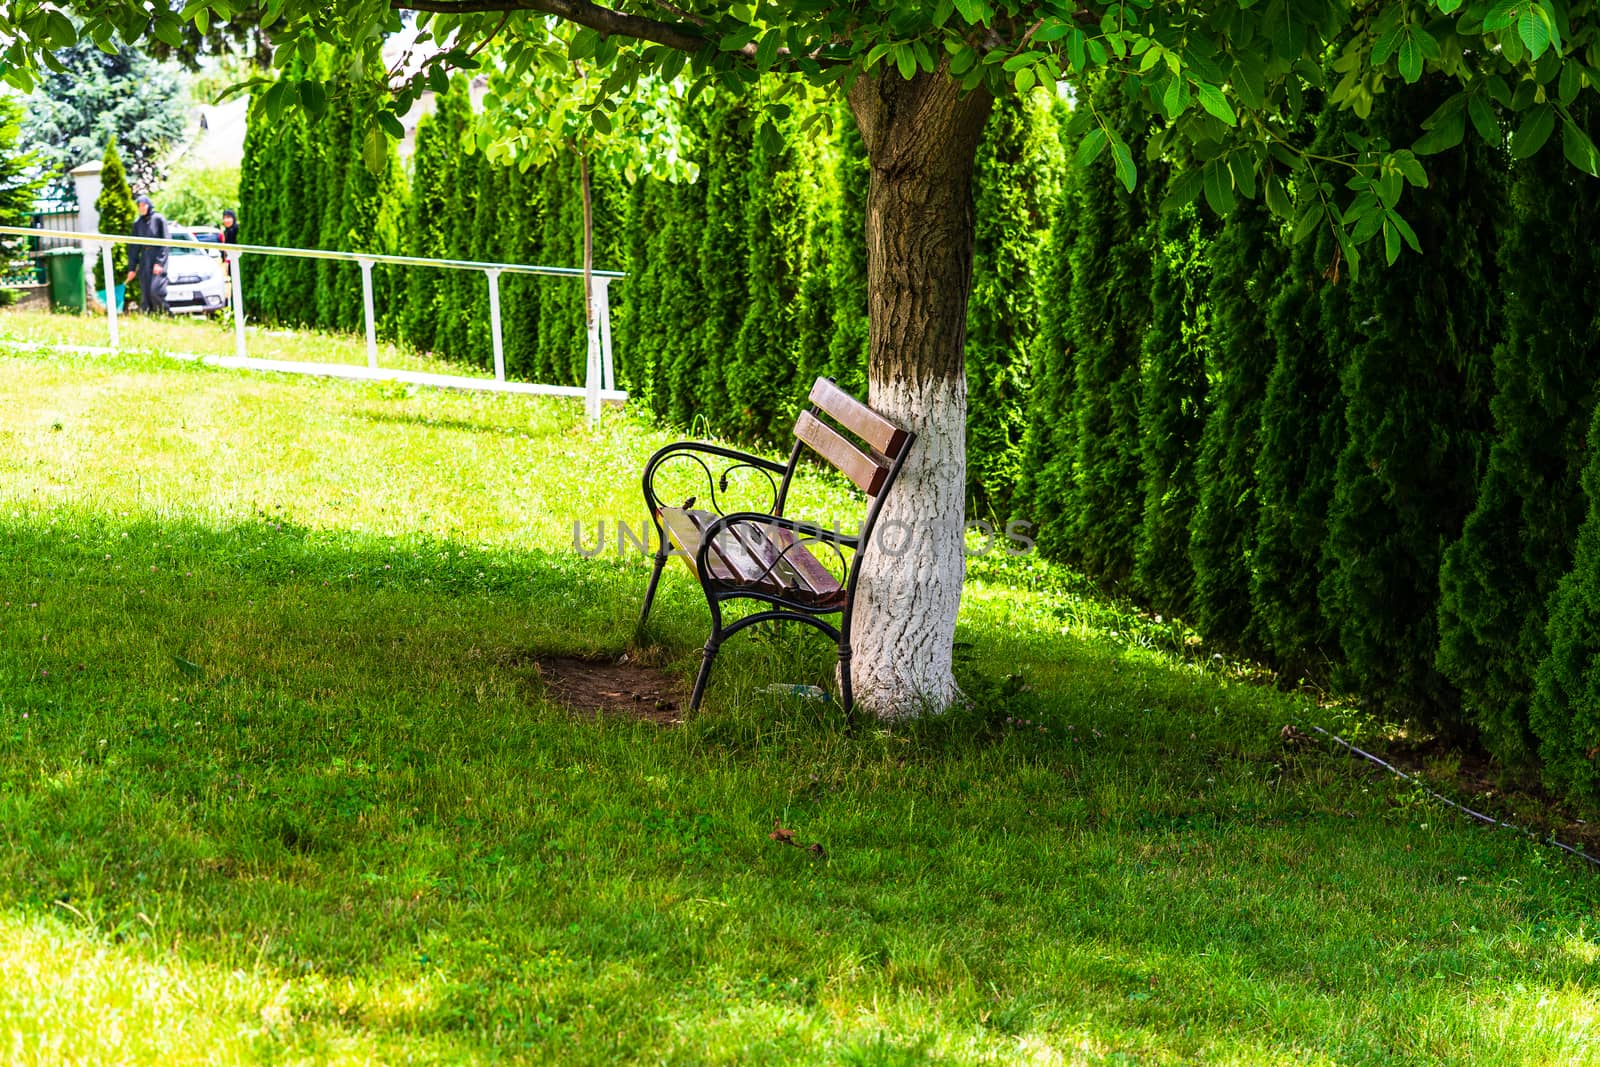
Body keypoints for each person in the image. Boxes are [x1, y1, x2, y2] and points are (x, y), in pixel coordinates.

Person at [126, 195, 170, 313]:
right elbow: (134, 247)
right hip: (145, 258)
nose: (142, 208)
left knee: (155, 290)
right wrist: (132, 268)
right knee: (145, 292)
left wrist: (159, 262)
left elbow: (166, 241)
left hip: (157, 256)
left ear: (149, 205)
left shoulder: (158, 219)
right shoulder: (138, 223)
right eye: (139, 206)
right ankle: (150, 317)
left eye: (144, 205)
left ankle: (165, 313)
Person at [220, 208, 238, 278]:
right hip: (230, 261)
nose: (226, 220)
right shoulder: (227, 231)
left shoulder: (235, 230)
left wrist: (227, 261)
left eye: (228, 217)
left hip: (235, 260)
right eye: (224, 218)